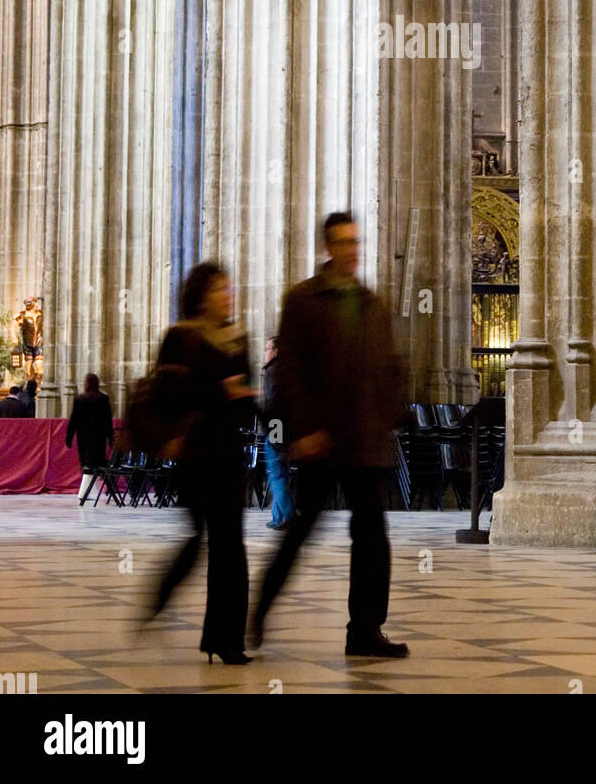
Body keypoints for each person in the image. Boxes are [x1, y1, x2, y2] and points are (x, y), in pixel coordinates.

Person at [251, 212, 409, 658]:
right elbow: (289, 372)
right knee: (301, 530)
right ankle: (258, 610)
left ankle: (365, 629)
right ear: (327, 247)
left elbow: (388, 366)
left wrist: (389, 414)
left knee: (373, 538)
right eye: (342, 242)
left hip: (365, 440)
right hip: (320, 440)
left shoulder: (372, 302)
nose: (351, 250)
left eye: (356, 241)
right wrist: (301, 430)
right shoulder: (302, 300)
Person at [148, 262, 254, 665]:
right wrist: (219, 390)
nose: (228, 295)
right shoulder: (182, 337)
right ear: (200, 295)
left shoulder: (238, 337)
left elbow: (243, 397)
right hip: (196, 455)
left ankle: (228, 640)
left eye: (229, 287)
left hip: (229, 453)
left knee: (231, 547)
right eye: (219, 289)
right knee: (198, 541)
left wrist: (246, 398)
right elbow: (169, 395)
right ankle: (160, 598)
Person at [261, 337, 293, 530]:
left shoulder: (273, 372)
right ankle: (278, 516)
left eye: (268, 348)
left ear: (277, 351)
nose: (265, 352)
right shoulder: (283, 372)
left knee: (277, 473)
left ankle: (287, 515)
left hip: (275, 427)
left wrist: (273, 433)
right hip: (280, 427)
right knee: (277, 473)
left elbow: (274, 404)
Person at [65, 374, 114, 500]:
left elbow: (73, 420)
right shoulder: (103, 399)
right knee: (98, 463)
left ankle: (86, 491)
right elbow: (107, 421)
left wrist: (69, 438)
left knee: (87, 464)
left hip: (84, 438)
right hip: (99, 438)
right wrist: (110, 437)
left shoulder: (80, 399)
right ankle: (95, 490)